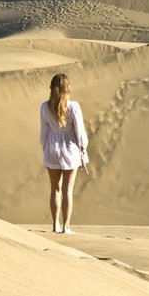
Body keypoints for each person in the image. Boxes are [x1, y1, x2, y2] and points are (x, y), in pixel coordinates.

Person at [39, 73, 89, 234]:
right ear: (67, 88)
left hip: (52, 147)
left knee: (55, 189)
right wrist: (83, 147)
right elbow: (80, 132)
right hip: (70, 148)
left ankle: (55, 225)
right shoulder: (73, 106)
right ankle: (66, 226)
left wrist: (45, 147)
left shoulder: (44, 106)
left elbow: (44, 132)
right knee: (68, 190)